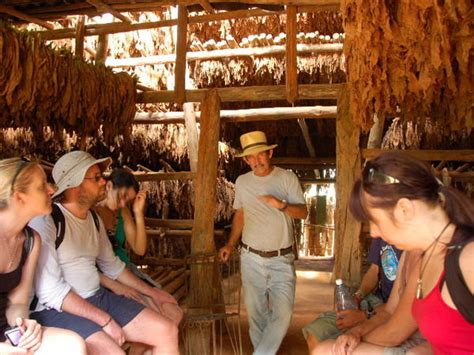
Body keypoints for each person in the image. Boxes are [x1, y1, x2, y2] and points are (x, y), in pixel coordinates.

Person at [29, 151, 183, 354]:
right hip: (58, 310)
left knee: (167, 330)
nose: (104, 182)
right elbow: (51, 292)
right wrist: (104, 319)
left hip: (98, 297)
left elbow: (113, 267)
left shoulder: (93, 219)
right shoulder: (48, 221)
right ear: (75, 186)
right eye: (96, 178)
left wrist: (154, 292)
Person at [345, 151, 474, 354]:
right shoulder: (427, 256)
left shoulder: (468, 259)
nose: (374, 233)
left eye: (375, 221)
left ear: (404, 209)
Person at [219, 131, 308, 355]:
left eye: (261, 155)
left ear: (270, 153)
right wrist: (230, 244)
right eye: (251, 157)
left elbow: (303, 212)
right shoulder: (242, 182)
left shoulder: (287, 178)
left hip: (281, 259)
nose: (256, 161)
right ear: (246, 160)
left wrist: (282, 206)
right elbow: (240, 215)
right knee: (256, 318)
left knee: (283, 315)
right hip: (251, 258)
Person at [0, 157, 86, 354]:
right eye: (41, 187)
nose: (52, 190)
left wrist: (24, 327)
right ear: (19, 197)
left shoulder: (30, 241)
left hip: (6, 333)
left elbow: (18, 302)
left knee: (72, 345)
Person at [303, 237, 402, 352]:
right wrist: (358, 297)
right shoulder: (381, 234)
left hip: (393, 309)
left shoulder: (413, 251)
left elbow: (397, 307)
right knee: (316, 332)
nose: (374, 232)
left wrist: (363, 316)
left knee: (343, 346)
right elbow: (373, 271)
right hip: (376, 300)